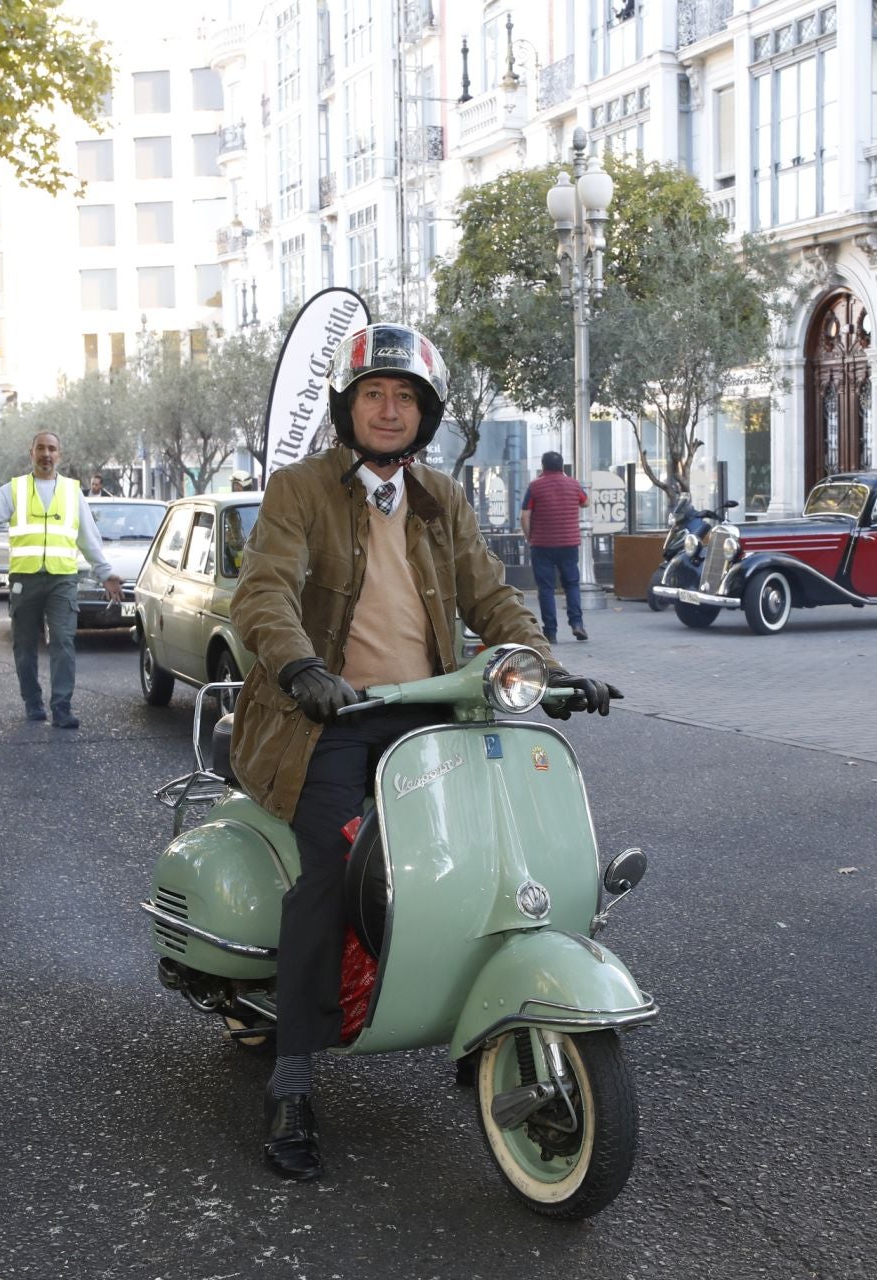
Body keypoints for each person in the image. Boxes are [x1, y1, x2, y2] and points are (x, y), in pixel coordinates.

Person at [230, 322, 621, 1183]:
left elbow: (493, 596)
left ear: (426, 412)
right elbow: (264, 590)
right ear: (347, 404)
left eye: (405, 396)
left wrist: (549, 669)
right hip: (321, 720)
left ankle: (475, 1013)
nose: (389, 408)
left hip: (429, 715)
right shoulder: (299, 491)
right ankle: (294, 1074)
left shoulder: (441, 500)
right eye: (374, 393)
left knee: (484, 848)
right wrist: (300, 668)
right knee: (332, 874)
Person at [0, 432, 121, 728]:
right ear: (31, 453)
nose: (46, 454)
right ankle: (33, 702)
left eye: (52, 449)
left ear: (60, 455)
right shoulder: (15, 489)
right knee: (24, 644)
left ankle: (62, 707)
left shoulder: (72, 491)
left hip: (62, 579)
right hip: (24, 580)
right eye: (41, 448)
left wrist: (105, 573)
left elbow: (89, 538)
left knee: (63, 642)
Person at [521, 451, 590, 643]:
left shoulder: (535, 486)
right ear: (562, 466)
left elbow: (524, 515)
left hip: (542, 544)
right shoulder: (573, 484)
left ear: (543, 466)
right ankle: (577, 624)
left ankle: (550, 632)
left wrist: (529, 536)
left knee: (546, 588)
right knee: (572, 585)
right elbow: (586, 503)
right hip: (569, 544)